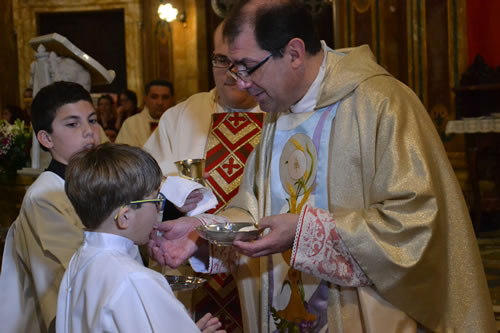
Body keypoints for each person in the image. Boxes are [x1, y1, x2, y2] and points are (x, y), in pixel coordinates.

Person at [150, 1, 496, 332]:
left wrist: (304, 233)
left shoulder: (382, 104)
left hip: (359, 313)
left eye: (248, 67)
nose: (239, 82)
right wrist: (203, 234)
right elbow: (252, 209)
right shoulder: (278, 113)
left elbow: (417, 225)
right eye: (232, 67)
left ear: (295, 53)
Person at [57, 143, 225, 333]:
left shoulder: (79, 261)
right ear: (124, 217)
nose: (158, 209)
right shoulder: (137, 279)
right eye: (155, 200)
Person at [0, 81, 102, 332]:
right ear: (46, 138)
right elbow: (73, 280)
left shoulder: (93, 184)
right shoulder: (45, 196)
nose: (89, 131)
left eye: (92, 120)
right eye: (72, 124)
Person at [116, 80, 175, 147]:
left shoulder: (180, 123)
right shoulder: (131, 124)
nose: (160, 102)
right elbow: (123, 154)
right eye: (154, 97)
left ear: (172, 100)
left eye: (165, 97)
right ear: (145, 99)